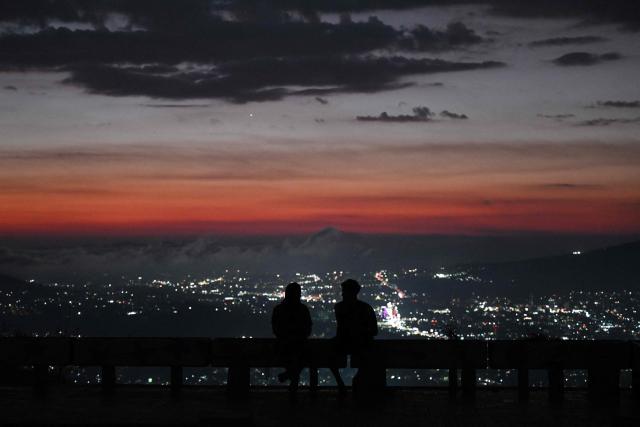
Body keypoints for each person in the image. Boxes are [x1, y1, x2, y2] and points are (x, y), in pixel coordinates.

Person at [330, 278, 381, 395]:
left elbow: (341, 328)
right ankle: (357, 383)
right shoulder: (366, 308)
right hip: (361, 344)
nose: (342, 293)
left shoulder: (339, 307)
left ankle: (341, 384)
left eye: (344, 291)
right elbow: (374, 330)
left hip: (347, 343)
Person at [271, 282, 312, 393]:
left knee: (294, 358)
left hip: (283, 346)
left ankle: (290, 376)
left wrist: (286, 337)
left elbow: (276, 329)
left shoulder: (278, 309)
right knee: (298, 358)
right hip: (299, 347)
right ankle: (291, 380)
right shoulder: (303, 309)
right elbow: (308, 329)